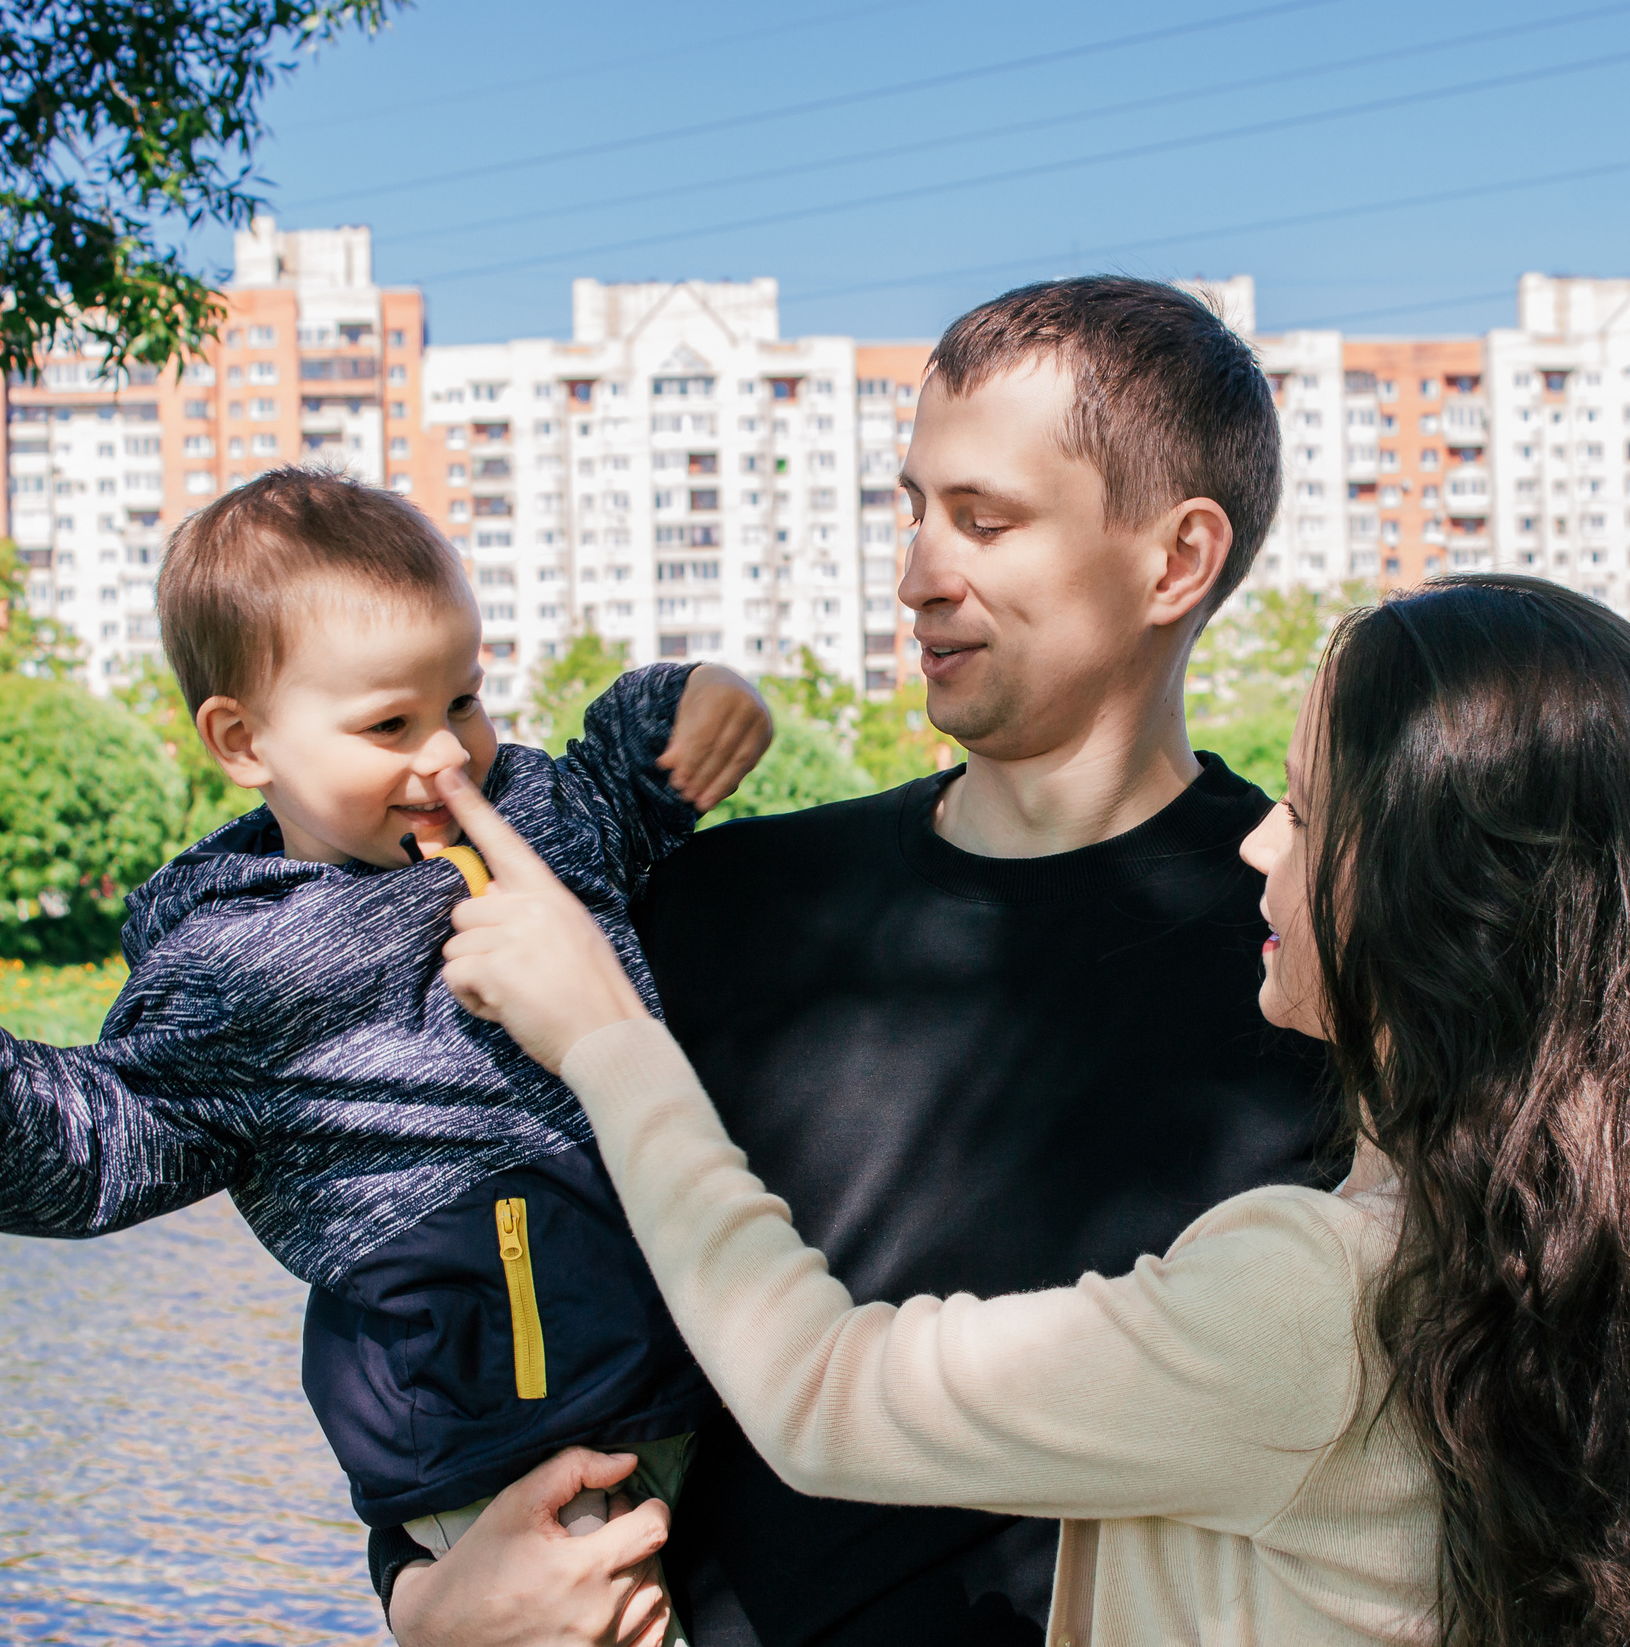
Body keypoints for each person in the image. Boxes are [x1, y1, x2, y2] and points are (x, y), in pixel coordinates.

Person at [429, 572, 1630, 1647]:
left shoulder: (1321, 1296)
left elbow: (820, 1392)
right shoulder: (1568, 1258)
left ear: (1447, 902)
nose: (1258, 834)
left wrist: (601, 1026)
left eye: (1310, 812)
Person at [381, 278, 1337, 1644]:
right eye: (913, 506)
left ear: (1176, 561)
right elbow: (469, 1258)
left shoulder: (1310, 961)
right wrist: (423, 1590)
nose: (916, 572)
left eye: (986, 519)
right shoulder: (724, 901)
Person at [0, 469, 773, 1637]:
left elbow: (625, 771)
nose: (447, 760)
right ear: (242, 739)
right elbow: (96, 1141)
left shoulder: (533, 815)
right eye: (388, 726)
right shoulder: (238, 964)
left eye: (463, 700)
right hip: (504, 1445)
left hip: (702, 1364)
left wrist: (706, 696)